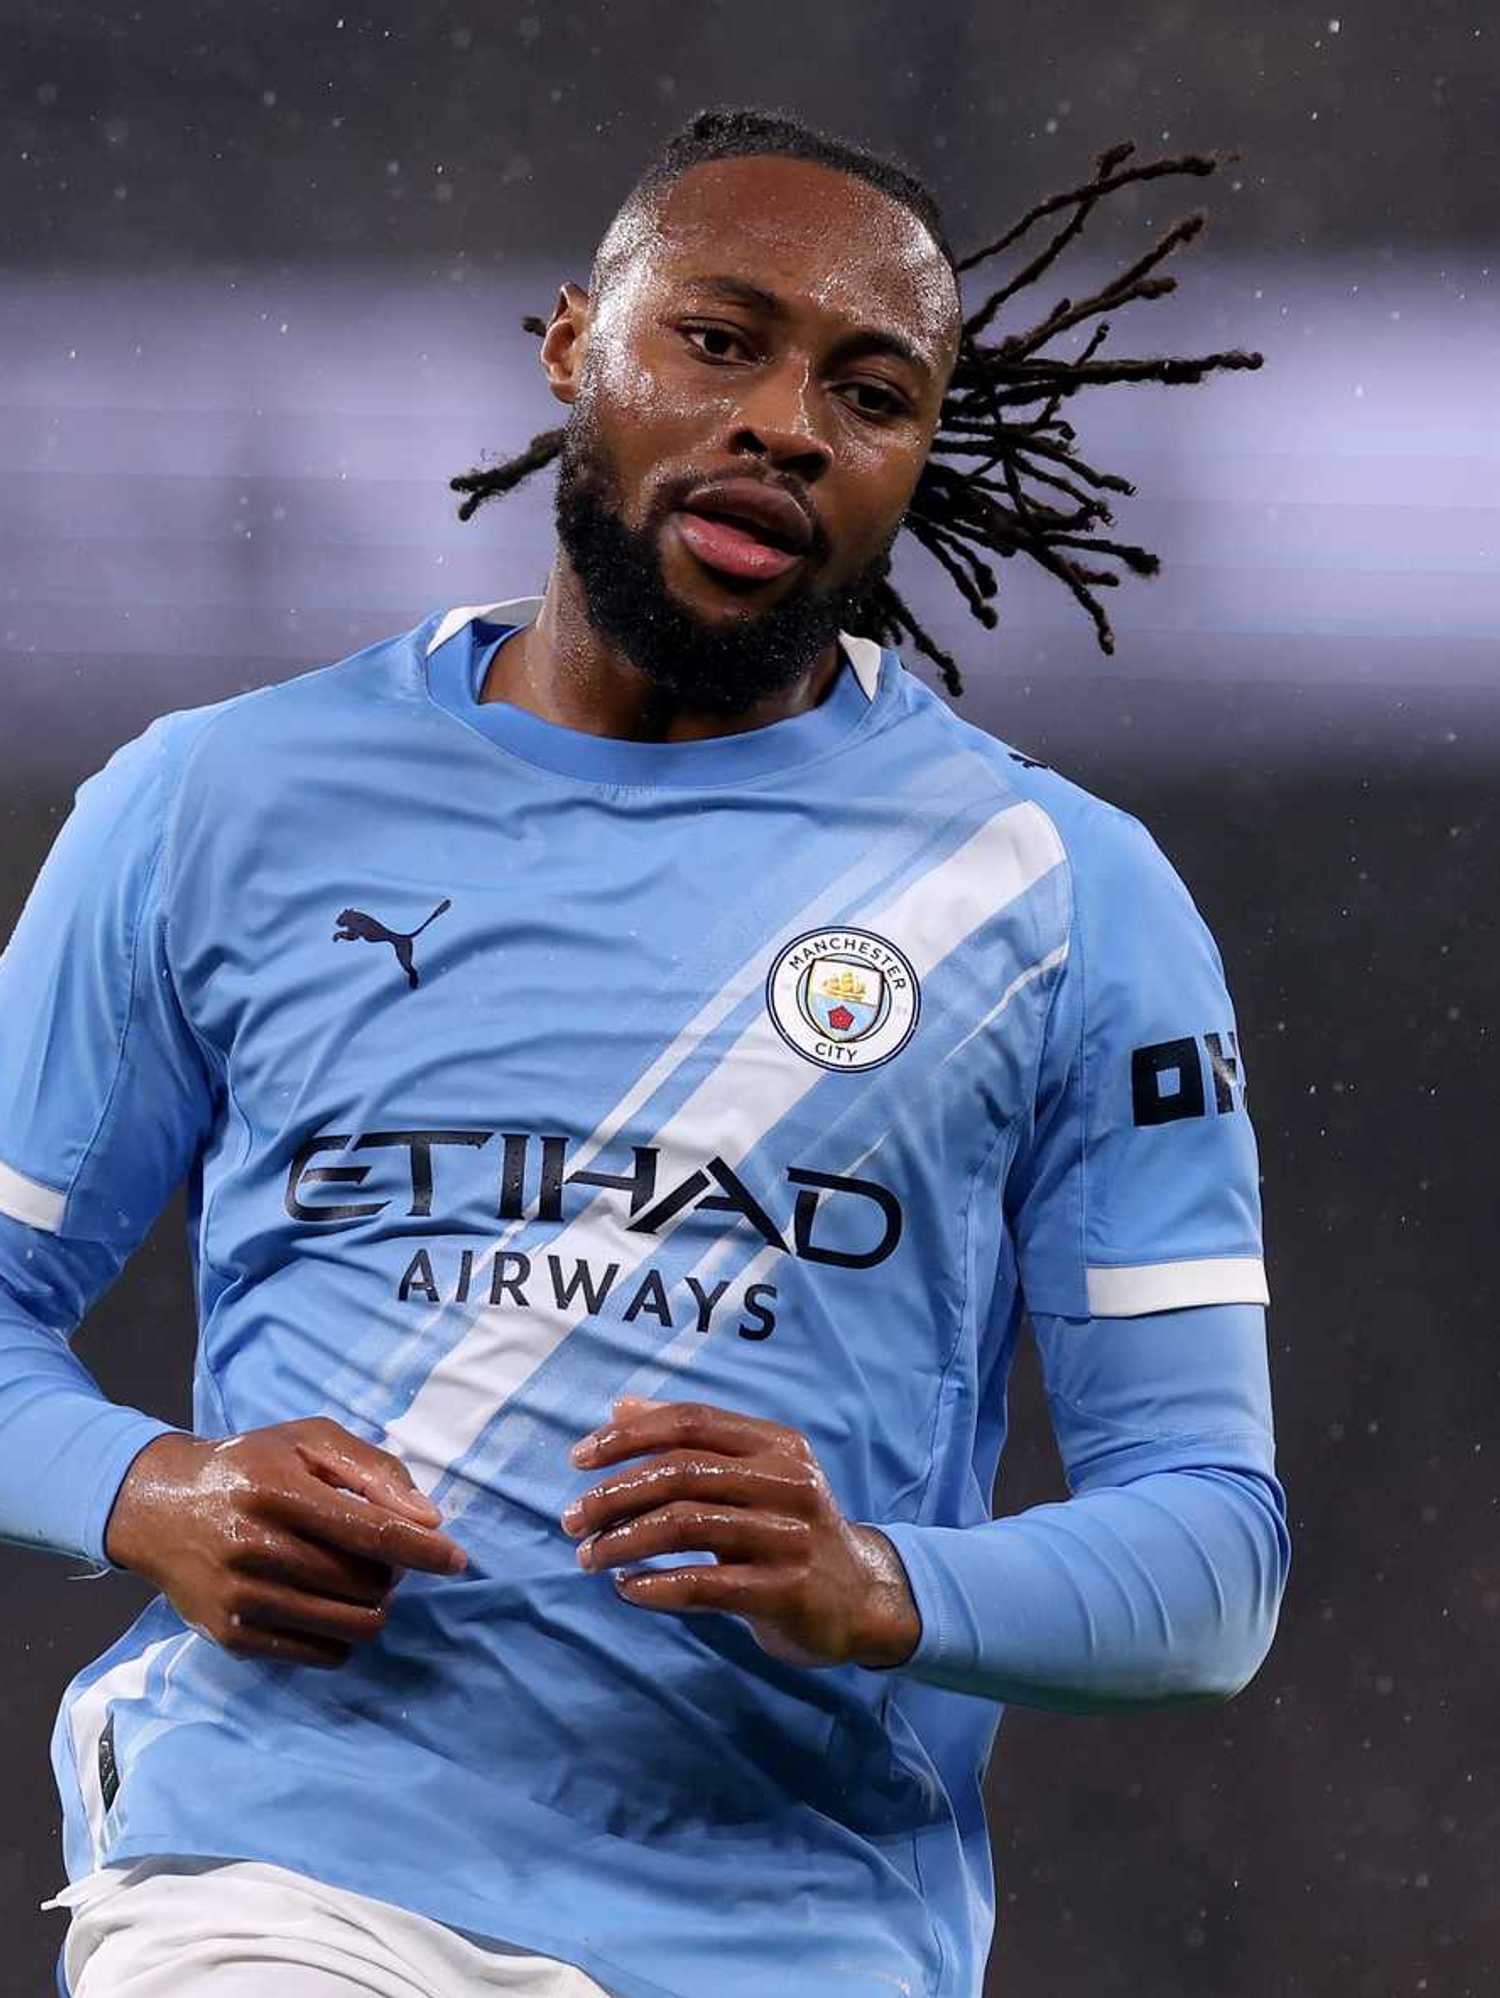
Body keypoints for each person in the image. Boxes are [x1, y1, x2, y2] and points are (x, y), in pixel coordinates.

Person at [1, 104, 1291, 1998]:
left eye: (872, 390)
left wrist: (879, 1584)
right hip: (286, 1875)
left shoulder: (1063, 897)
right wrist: (149, 1490)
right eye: (721, 338)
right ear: (571, 340)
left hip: (797, 1928)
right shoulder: (219, 803)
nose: (786, 421)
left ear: (917, 457)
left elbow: (1214, 1557)